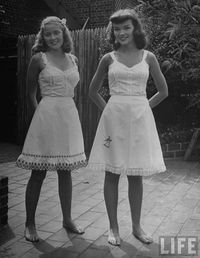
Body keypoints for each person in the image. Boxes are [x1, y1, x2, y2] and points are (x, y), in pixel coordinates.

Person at [88, 9, 168, 246]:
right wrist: (110, 112)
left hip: (140, 122)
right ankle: (113, 228)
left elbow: (164, 92)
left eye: (126, 27)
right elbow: (92, 92)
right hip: (114, 122)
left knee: (136, 175)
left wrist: (143, 107)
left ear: (135, 28)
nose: (121, 32)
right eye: (117, 29)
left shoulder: (149, 57)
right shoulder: (108, 59)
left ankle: (137, 226)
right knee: (112, 173)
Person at [16, 16, 87, 242]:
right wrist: (40, 116)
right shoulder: (39, 59)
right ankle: (29, 223)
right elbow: (29, 93)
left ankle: (67, 219)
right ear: (42, 37)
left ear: (63, 33)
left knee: (65, 171)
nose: (53, 37)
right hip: (46, 116)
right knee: (39, 172)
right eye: (48, 34)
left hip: (68, 116)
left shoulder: (73, 59)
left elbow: (74, 89)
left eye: (57, 33)